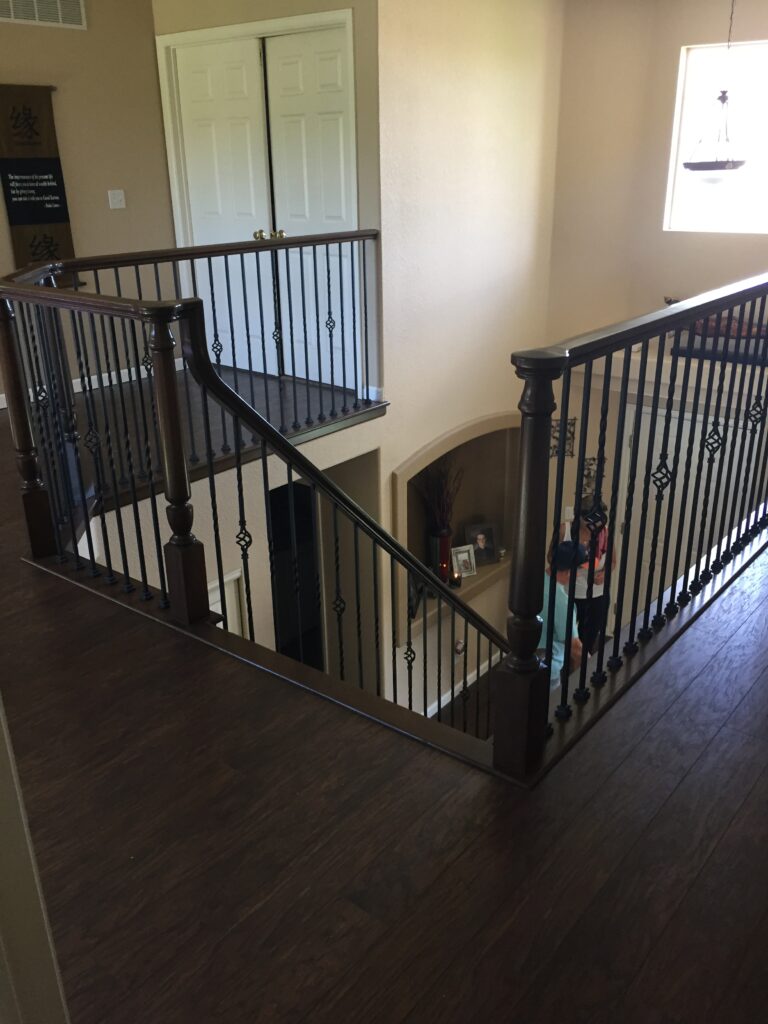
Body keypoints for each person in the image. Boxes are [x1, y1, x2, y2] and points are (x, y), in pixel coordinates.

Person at [560, 497, 615, 654]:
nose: (597, 524)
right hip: (568, 594)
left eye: (600, 519)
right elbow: (551, 558)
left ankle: (582, 666)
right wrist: (569, 563)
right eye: (593, 519)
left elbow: (612, 561)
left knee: (588, 642)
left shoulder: (605, 533)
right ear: (580, 516)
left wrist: (603, 574)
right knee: (564, 639)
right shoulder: (566, 531)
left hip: (597, 597)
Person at [538, 540, 585, 688]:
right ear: (569, 571)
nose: (578, 575)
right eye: (578, 570)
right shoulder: (561, 602)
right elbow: (575, 648)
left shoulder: (536, 580)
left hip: (528, 662)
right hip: (549, 669)